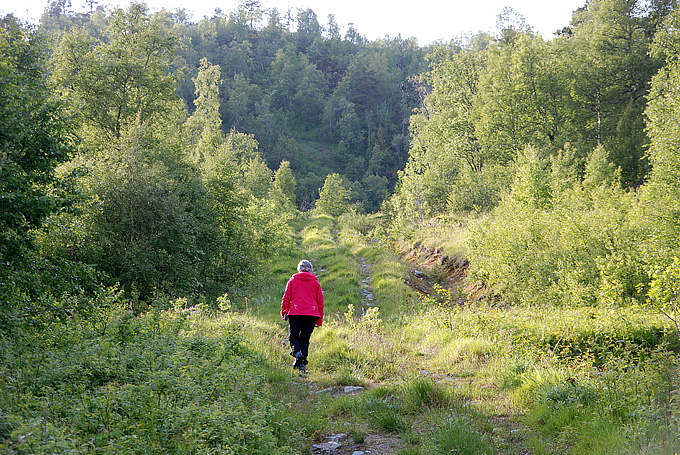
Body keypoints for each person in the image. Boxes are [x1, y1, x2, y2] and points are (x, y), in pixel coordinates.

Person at [281, 259, 324, 373]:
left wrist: (284, 311)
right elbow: (320, 302)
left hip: (296, 312)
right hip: (312, 314)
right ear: (310, 269)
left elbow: (286, 297)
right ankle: (302, 366)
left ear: (299, 269)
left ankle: (298, 354)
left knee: (293, 337)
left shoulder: (293, 280)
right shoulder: (315, 282)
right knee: (305, 339)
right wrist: (319, 320)